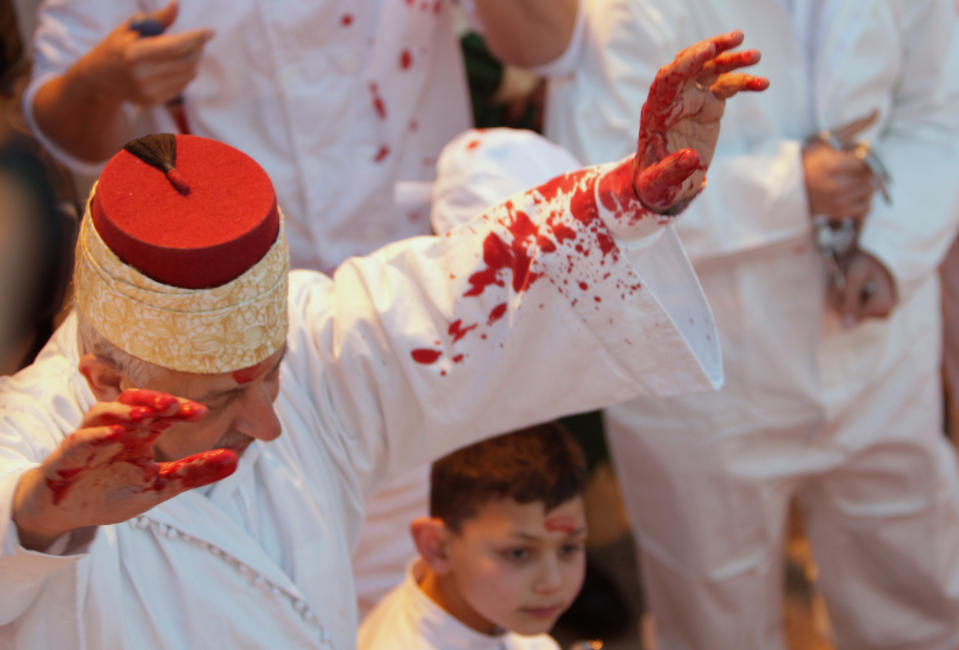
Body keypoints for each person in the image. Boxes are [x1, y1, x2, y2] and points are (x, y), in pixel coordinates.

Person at [0, 35, 767, 649]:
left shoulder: (310, 348)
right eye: (223, 395)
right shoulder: (29, 450)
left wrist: (627, 201)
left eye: (271, 375)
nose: (269, 419)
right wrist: (32, 522)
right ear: (104, 380)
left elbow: (445, 294)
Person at [22, 0, 583, 613]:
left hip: (413, 298)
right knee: (254, 590)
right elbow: (63, 130)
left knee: (437, 586)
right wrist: (105, 82)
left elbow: (550, 46)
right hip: (209, 338)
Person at [540, 2, 959, 648]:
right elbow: (598, 180)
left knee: (916, 592)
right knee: (713, 615)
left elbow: (939, 112)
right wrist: (788, 188)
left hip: (878, 352)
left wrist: (890, 249)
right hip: (706, 375)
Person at [358, 422, 587, 650]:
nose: (552, 583)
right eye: (519, 553)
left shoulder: (487, 610)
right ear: (436, 546)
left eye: (568, 548)